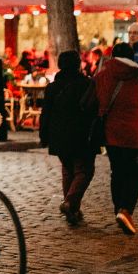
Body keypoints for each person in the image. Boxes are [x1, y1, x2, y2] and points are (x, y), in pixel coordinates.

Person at [84, 42, 138, 234]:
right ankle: (126, 210)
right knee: (135, 174)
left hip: (113, 131)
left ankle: (118, 208)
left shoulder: (101, 76)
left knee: (117, 171)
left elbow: (87, 103)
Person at [41, 50, 97, 225]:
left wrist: (44, 136)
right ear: (77, 64)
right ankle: (70, 202)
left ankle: (73, 210)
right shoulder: (86, 84)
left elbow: (45, 114)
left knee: (68, 169)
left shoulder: (52, 87)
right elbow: (93, 110)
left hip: (58, 136)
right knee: (84, 170)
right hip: (81, 135)